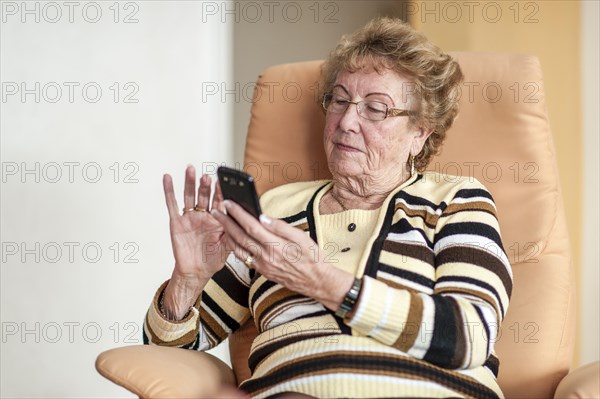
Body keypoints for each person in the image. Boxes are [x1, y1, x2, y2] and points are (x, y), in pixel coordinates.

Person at [143, 17, 512, 399]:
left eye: (375, 108)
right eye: (339, 100)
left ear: (420, 133)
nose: (346, 122)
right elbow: (166, 355)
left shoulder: (457, 199)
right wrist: (187, 280)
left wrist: (324, 282)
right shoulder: (275, 209)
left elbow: (471, 333)